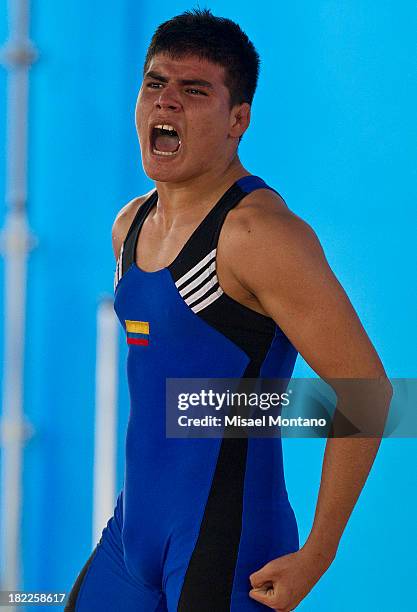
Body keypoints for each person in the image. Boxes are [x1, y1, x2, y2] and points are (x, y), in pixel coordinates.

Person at [66, 8, 391, 611]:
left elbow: (368, 393)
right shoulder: (129, 226)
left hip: (228, 544)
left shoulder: (259, 235)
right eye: (155, 84)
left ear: (237, 119)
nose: (167, 104)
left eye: (194, 92)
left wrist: (319, 554)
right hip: (132, 537)